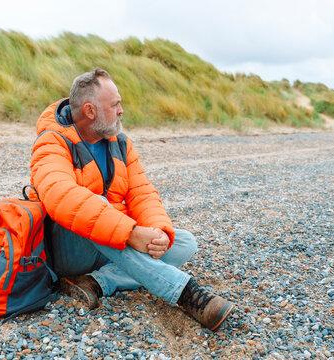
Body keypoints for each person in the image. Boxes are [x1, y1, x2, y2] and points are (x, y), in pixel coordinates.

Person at [29, 68, 234, 331]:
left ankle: (96, 282)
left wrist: (157, 230)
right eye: (115, 105)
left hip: (113, 244)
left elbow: (142, 193)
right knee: (95, 206)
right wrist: (131, 233)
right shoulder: (52, 142)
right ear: (90, 111)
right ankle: (187, 294)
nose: (121, 110)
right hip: (69, 248)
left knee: (183, 243)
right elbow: (62, 198)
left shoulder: (120, 143)